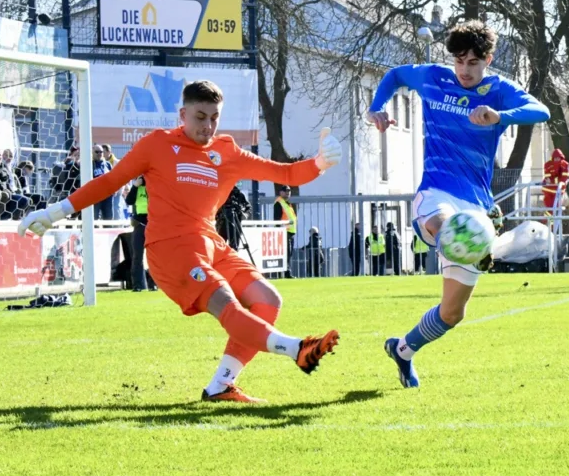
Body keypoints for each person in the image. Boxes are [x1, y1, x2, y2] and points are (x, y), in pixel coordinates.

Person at [18, 80, 344, 403]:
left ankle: (221, 386)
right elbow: (110, 181)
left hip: (211, 244)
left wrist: (320, 163)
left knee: (268, 300)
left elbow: (285, 174)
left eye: (214, 118)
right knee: (227, 305)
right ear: (182, 114)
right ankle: (297, 349)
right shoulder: (157, 144)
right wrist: (56, 212)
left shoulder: (226, 151)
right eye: (200, 117)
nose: (208, 126)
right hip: (171, 249)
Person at [368, 19, 550, 388]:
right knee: (446, 223)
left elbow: (541, 111)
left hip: (476, 207)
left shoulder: (498, 91)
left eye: (473, 63)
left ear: (488, 60)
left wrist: (500, 116)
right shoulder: (433, 77)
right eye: (459, 61)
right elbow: (395, 75)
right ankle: (465, 242)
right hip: (435, 192)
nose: (465, 70)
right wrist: (377, 108)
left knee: (452, 313)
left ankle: (403, 350)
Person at [124, 176, 156, 292]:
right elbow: (129, 201)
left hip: (153, 223)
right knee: (137, 255)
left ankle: (153, 284)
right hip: (139, 224)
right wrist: (135, 186)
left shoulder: (153, 185)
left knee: (154, 256)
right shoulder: (137, 187)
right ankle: (138, 285)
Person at [215, 185, 252, 252]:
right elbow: (213, 208)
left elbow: (248, 208)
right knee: (219, 247)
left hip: (235, 224)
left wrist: (244, 214)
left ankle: (233, 255)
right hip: (222, 223)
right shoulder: (221, 193)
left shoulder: (238, 195)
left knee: (234, 248)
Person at [273, 185, 297, 278]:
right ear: (281, 192)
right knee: (285, 253)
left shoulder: (287, 204)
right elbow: (277, 220)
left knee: (289, 253)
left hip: (290, 232)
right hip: (284, 232)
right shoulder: (279, 203)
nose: (288, 192)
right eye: (285, 191)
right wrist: (279, 232)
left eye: (289, 191)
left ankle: (286, 272)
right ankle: (286, 273)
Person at [541, 148, 569, 223]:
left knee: (553, 209)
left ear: (561, 157)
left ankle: (545, 222)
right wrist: (551, 180)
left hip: (558, 191)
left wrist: (552, 181)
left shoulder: (565, 165)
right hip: (548, 191)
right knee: (550, 209)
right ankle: (550, 224)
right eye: (555, 158)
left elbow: (564, 178)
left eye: (558, 158)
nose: (557, 159)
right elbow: (547, 177)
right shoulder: (548, 164)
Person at [91, 146, 115, 221]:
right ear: (92, 152)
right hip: (95, 196)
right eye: (97, 152)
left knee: (108, 218)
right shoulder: (90, 165)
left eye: (101, 152)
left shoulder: (107, 164)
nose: (99, 154)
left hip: (107, 196)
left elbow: (112, 178)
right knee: (94, 218)